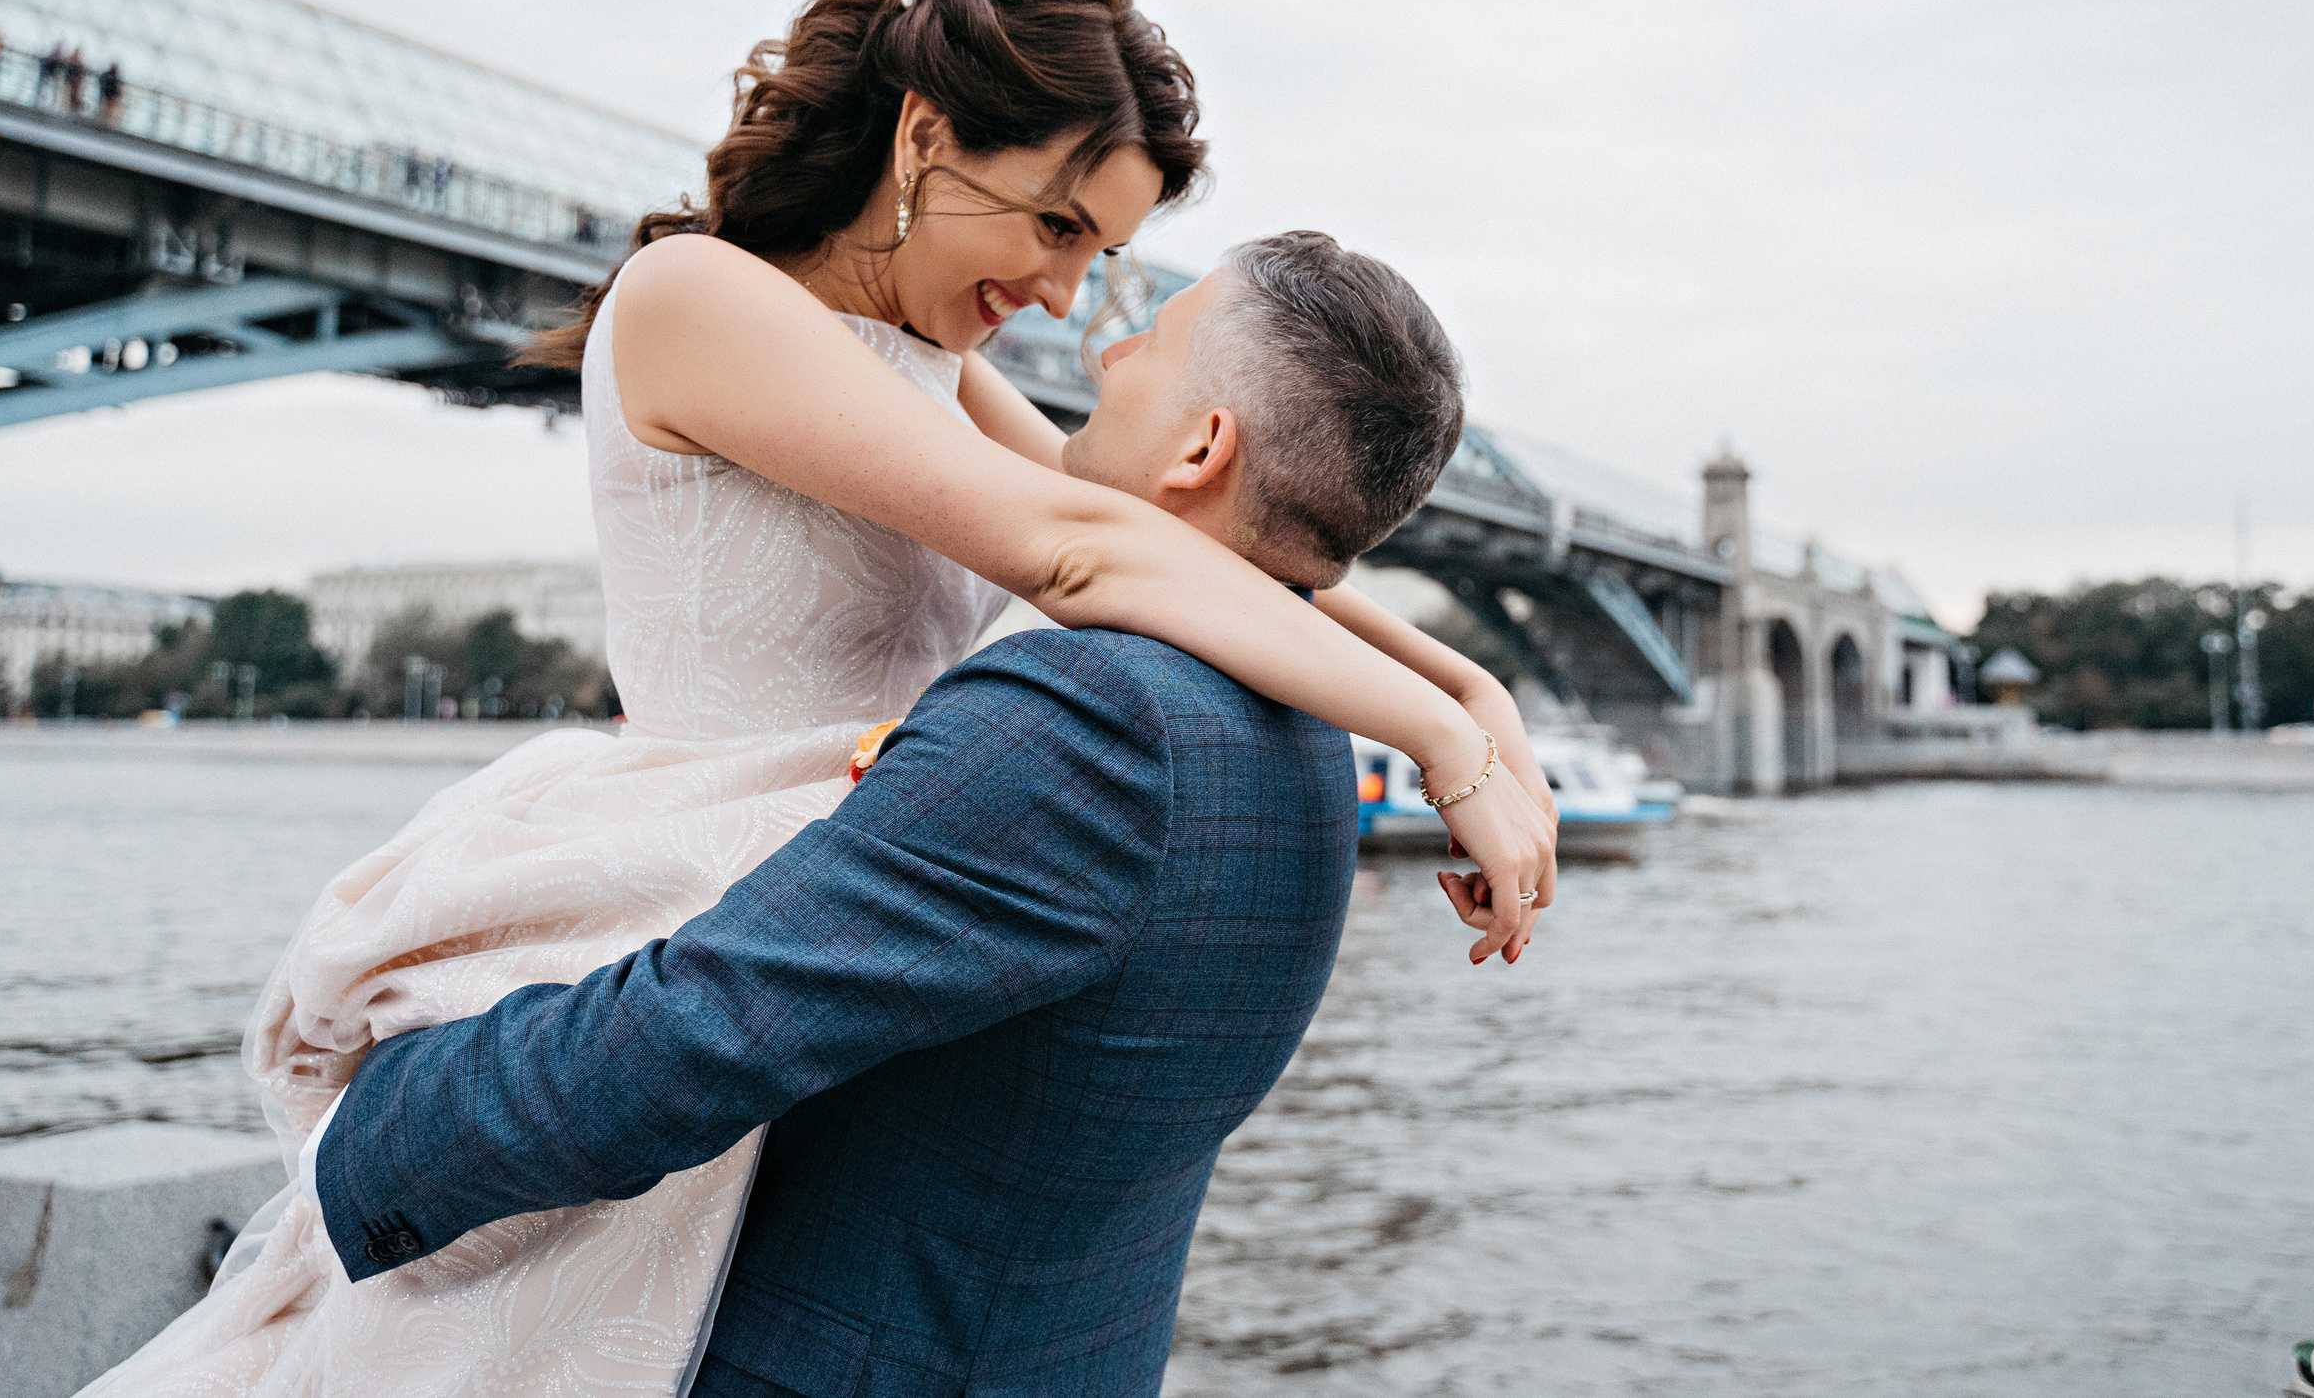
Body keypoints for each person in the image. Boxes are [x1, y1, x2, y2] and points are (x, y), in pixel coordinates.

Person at [79, 0, 1553, 1396]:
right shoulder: (700, 298)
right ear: (925, 137)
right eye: (1056, 225)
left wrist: (1470, 695)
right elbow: (1079, 547)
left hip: (832, 888)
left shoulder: (941, 370)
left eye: (1098, 252)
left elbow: (1160, 539)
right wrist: (1441, 741)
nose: (1063, 297)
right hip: (680, 877)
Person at [299, 233, 1493, 1395]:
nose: (1099, 354)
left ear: (1201, 447)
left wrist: (372, 1133)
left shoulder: (1090, 716)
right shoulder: (1300, 734)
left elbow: (700, 1025)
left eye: (1151, 341)